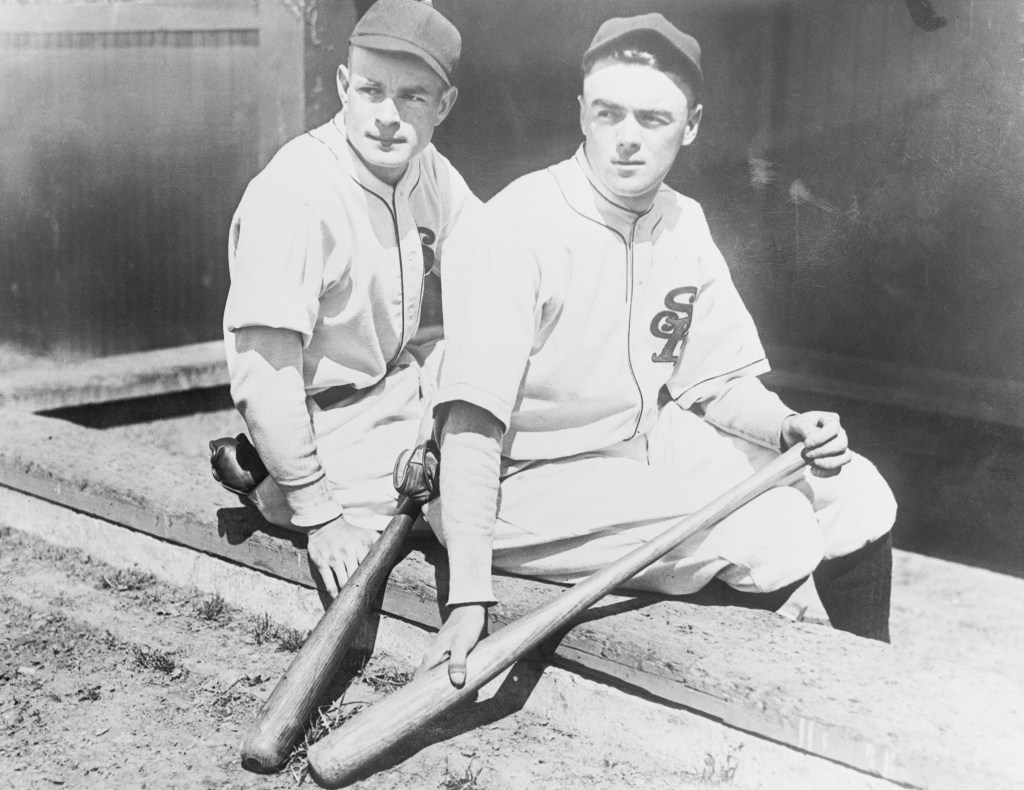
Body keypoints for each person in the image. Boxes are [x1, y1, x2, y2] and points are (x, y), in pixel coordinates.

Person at [419, 13, 898, 687]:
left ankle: (871, 697)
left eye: (653, 119)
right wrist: (468, 594)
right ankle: (745, 714)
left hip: (637, 444)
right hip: (520, 479)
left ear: (692, 124)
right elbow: (468, 428)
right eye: (609, 114)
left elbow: (719, 383)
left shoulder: (683, 220)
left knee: (853, 489)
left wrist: (787, 428)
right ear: (581, 112)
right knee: (775, 529)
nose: (626, 141)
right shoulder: (517, 227)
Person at [210, 0, 478, 598]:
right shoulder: (296, 196)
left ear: (443, 105)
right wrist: (320, 515)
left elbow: (494, 262)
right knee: (471, 504)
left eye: (411, 96)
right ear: (342, 86)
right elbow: (263, 372)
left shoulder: (425, 165)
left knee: (508, 453)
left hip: (398, 389)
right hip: (325, 419)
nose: (387, 115)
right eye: (370, 90)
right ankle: (276, 485)